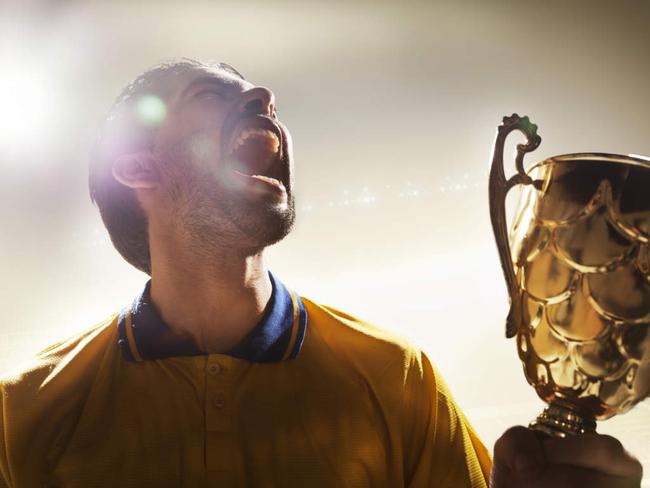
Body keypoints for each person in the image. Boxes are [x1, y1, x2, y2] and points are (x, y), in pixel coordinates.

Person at [0, 59, 642, 488]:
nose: (263, 99)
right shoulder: (22, 410)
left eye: (257, 95)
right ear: (137, 167)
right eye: (208, 94)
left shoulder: (399, 377)